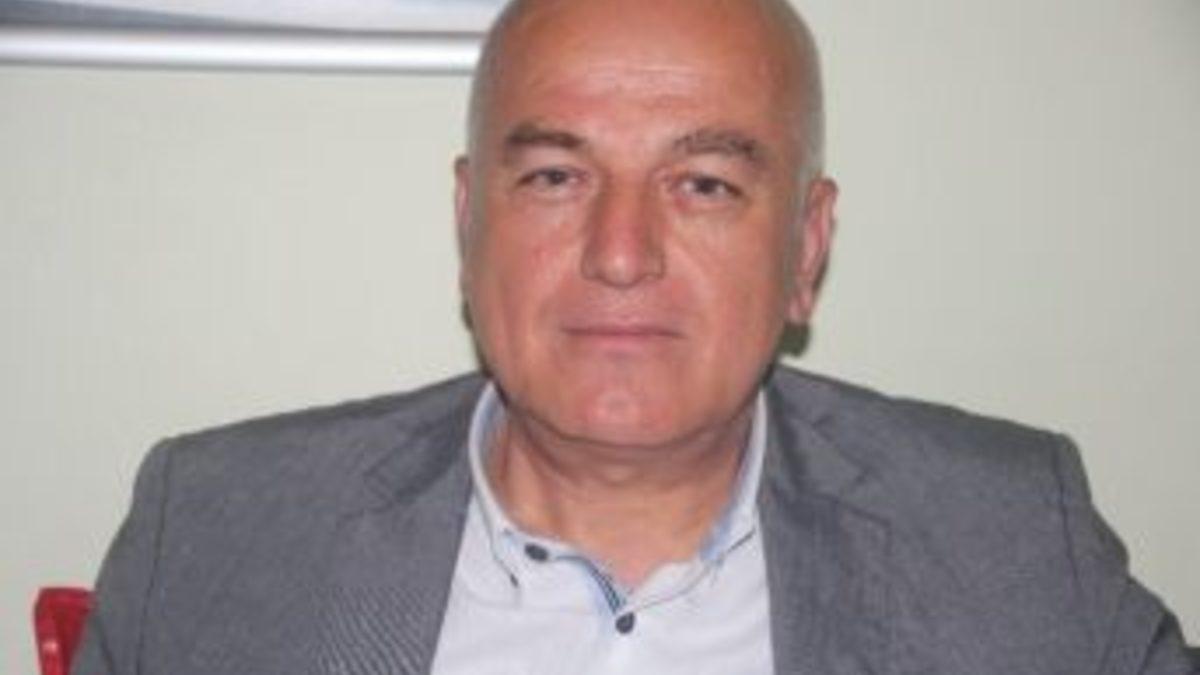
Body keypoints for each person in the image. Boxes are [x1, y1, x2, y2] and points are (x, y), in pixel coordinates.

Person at [73, 0, 1197, 673]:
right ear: (469, 224)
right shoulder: (215, 530)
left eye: (703, 183)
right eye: (556, 177)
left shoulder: (1011, 535)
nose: (621, 253)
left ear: (805, 248)